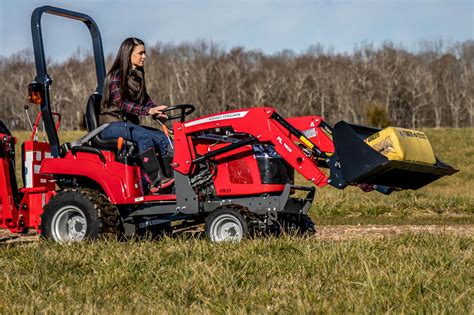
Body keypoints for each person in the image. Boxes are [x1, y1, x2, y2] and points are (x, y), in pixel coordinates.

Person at [99, 37, 173, 191]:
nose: (144, 56)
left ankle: (171, 180)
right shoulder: (116, 76)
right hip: (111, 125)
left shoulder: (138, 76)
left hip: (129, 126)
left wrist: (155, 110)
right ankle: (156, 181)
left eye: (144, 53)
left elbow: (146, 100)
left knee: (162, 137)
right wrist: (148, 111)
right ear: (128, 55)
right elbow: (122, 104)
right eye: (141, 53)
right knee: (143, 136)